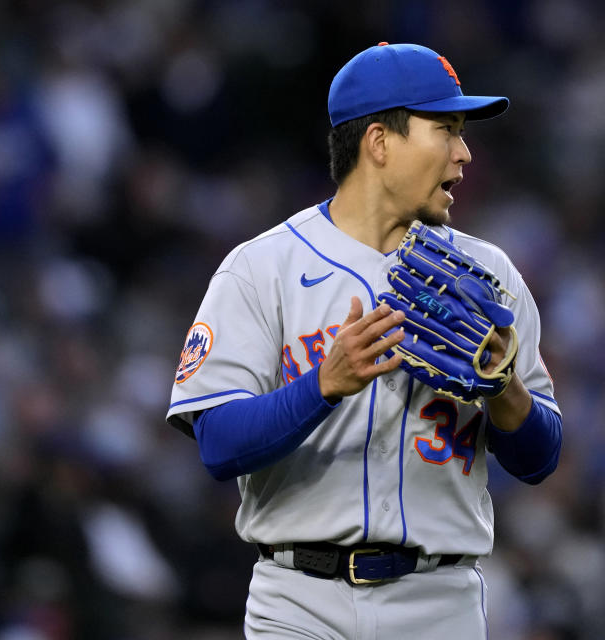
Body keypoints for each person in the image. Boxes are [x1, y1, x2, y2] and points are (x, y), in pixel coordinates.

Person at [166, 42, 563, 639]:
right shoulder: (262, 267)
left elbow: (540, 458)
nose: (465, 153)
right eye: (446, 129)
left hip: (439, 603)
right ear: (379, 142)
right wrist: (323, 385)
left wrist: (503, 389)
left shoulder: (489, 279)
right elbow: (217, 445)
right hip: (299, 601)